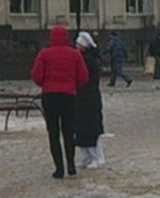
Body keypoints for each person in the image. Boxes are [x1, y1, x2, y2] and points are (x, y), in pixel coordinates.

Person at [31, 26, 89, 179]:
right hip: (69, 96)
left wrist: (46, 84)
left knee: (54, 133)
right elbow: (84, 77)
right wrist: (72, 85)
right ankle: (71, 165)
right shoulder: (75, 54)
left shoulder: (44, 54)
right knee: (69, 131)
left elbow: (36, 75)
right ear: (67, 38)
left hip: (50, 96)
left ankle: (59, 169)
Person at [74, 32, 105, 168]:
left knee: (91, 128)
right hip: (82, 97)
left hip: (89, 97)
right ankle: (87, 156)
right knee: (81, 127)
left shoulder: (89, 61)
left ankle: (97, 157)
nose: (75, 47)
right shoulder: (85, 59)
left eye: (78, 45)